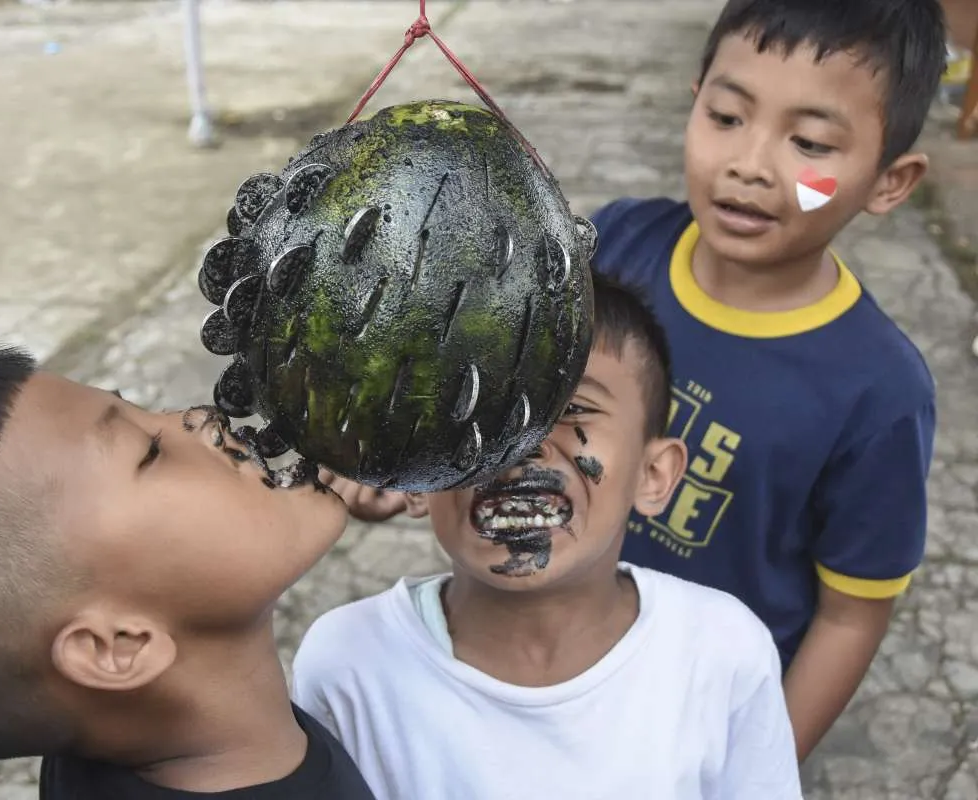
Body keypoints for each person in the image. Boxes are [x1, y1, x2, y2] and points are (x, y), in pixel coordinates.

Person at [324, 0, 947, 763]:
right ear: (693, 102)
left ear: (891, 181)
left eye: (809, 141)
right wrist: (409, 455)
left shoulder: (878, 391)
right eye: (726, 117)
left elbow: (853, 617)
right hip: (546, 655)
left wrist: (757, 754)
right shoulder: (615, 243)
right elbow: (497, 368)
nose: (748, 162)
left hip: (689, 713)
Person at [0, 345, 376, 799]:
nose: (193, 415)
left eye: (144, 410)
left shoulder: (103, 738)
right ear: (117, 646)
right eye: (149, 452)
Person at [293, 277, 804, 800]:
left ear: (652, 475)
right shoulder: (347, 665)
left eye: (573, 409)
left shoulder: (723, 652)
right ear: (415, 473)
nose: (521, 445)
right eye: (475, 407)